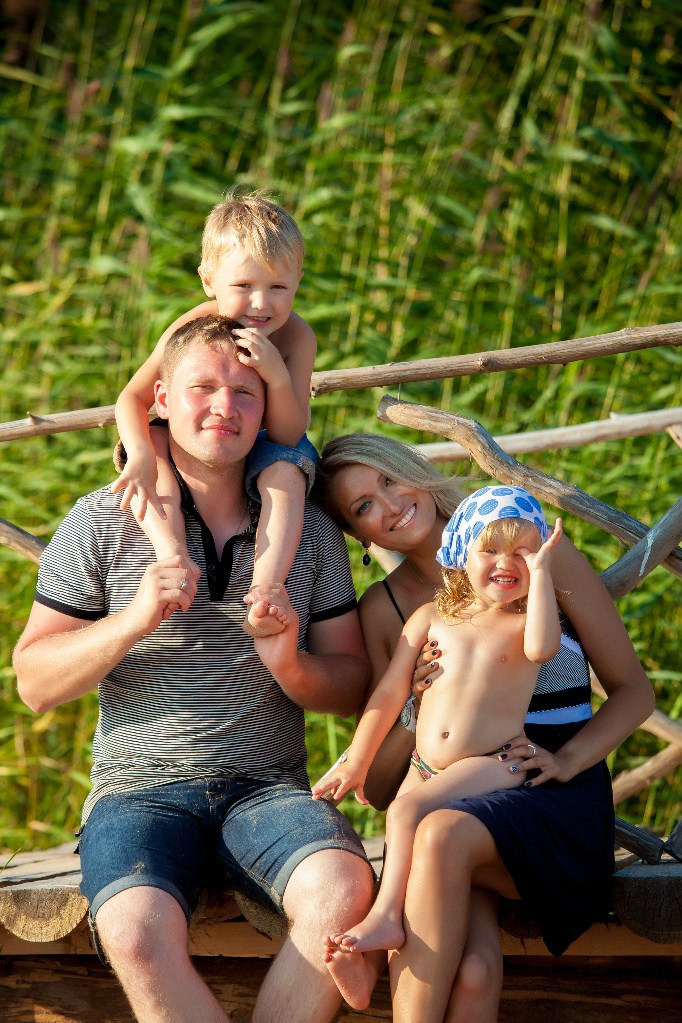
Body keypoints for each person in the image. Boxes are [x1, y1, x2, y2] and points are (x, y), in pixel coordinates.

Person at [12, 316, 379, 1023]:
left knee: (340, 889)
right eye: (203, 387)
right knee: (134, 929)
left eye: (246, 391)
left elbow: (352, 682)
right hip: (137, 792)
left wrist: (291, 664)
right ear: (159, 398)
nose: (226, 407)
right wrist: (134, 618)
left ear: (268, 407)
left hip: (268, 789)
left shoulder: (308, 534)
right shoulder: (98, 520)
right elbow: (33, 680)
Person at [316, 433, 654, 1023]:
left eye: (391, 479)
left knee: (442, 834)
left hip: (544, 781)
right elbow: (382, 785)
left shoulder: (535, 552)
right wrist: (416, 706)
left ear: (416, 471)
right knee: (471, 972)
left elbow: (634, 692)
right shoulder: (392, 612)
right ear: (358, 535)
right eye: (364, 506)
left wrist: (569, 760)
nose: (390, 505)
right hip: (445, 786)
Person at [312, 486, 563, 1004]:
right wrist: (357, 762)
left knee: (405, 814)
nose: (507, 562)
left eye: (523, 551)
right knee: (406, 817)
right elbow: (388, 692)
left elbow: (545, 646)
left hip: (494, 764)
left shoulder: (522, 627)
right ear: (460, 555)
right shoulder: (429, 618)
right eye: (490, 550)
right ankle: (373, 962)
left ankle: (383, 920)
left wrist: (541, 577)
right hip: (426, 765)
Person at [112, 188, 317, 637]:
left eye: (278, 287)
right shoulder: (194, 324)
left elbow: (287, 432)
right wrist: (141, 455)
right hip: (192, 438)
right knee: (156, 445)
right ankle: (172, 554)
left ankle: (266, 588)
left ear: (298, 280)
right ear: (209, 281)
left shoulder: (297, 338)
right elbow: (132, 398)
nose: (261, 304)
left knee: (287, 471)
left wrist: (276, 375)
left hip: (262, 442)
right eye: (243, 287)